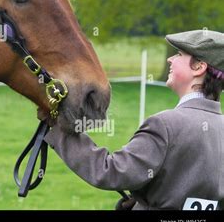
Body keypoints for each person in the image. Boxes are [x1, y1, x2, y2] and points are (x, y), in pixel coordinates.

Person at [45, 30, 224, 210]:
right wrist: (143, 199)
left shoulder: (166, 124)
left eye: (179, 55)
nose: (170, 59)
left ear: (199, 67)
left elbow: (111, 171)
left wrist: (59, 125)